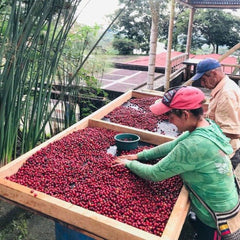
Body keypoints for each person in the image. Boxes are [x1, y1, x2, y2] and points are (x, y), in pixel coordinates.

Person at [113, 86, 240, 240]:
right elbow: (172, 145)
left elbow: (155, 173)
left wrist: (128, 164)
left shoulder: (193, 145)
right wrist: (140, 156)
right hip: (221, 200)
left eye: (170, 116)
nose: (168, 121)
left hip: (216, 216)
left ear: (185, 115)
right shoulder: (207, 125)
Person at [192, 58, 240, 169]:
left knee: (220, 183)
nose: (202, 84)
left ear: (214, 74)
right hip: (222, 147)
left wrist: (200, 132)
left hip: (227, 151)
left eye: (203, 80)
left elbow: (232, 132)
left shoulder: (226, 94)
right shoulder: (223, 88)